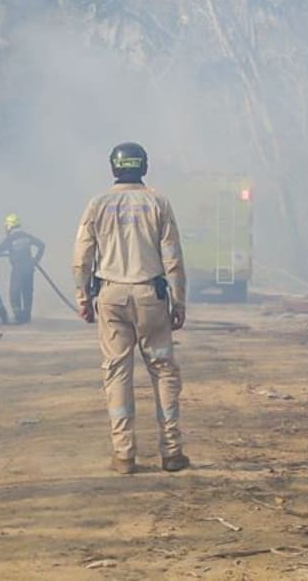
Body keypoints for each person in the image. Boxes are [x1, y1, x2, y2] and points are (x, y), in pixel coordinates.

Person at [72, 142, 189, 474]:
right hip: (151, 297)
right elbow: (172, 258)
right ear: (144, 166)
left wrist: (83, 299)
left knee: (117, 372)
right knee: (163, 370)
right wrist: (178, 301)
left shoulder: (97, 204)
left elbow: (81, 259)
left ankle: (124, 455)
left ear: (113, 167)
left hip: (111, 298)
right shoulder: (158, 202)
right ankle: (172, 452)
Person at [0, 213, 45, 324]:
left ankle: (18, 316)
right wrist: (36, 260)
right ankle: (27, 316)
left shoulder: (11, 238)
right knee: (27, 292)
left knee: (14, 293)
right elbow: (41, 245)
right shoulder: (26, 236)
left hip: (18, 269)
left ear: (10, 226)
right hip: (29, 269)